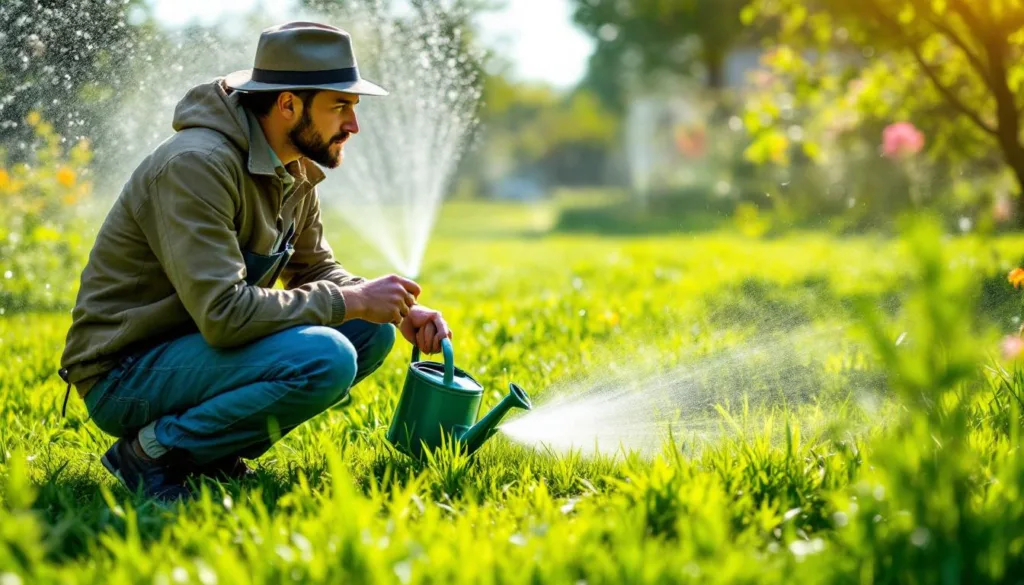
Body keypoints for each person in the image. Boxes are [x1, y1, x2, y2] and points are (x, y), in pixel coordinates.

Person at [57, 21, 451, 501]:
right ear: (287, 104)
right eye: (340, 106)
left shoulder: (293, 169)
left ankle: (210, 454)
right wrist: (351, 299)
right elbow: (224, 315)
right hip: (126, 372)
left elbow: (315, 270)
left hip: (196, 350)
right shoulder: (196, 165)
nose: (353, 125)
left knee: (370, 331)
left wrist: (393, 306)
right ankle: (152, 453)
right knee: (326, 356)